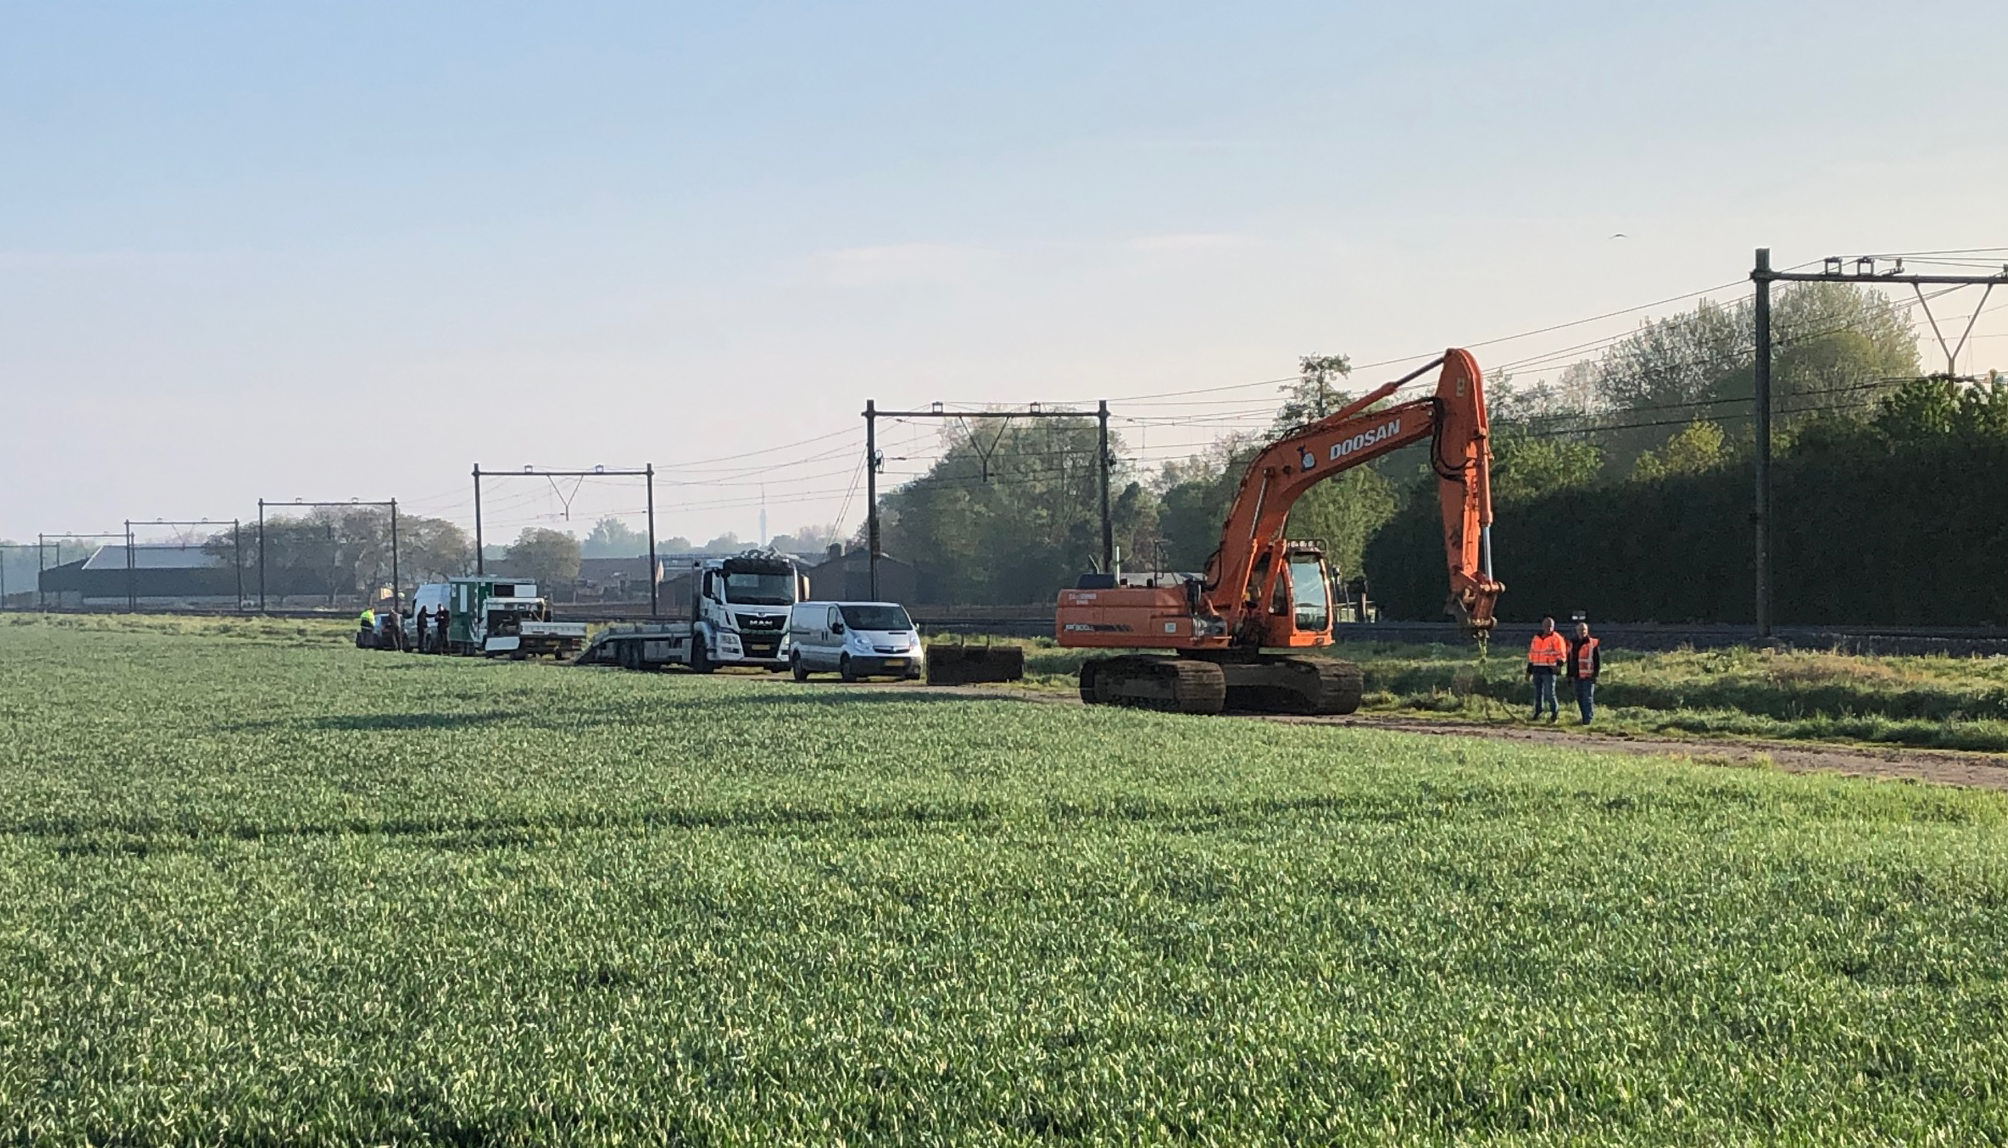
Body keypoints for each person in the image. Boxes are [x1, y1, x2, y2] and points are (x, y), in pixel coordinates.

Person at [1525, 616, 1566, 722]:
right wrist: (1528, 671)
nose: (1549, 628)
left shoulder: (1557, 638)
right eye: (1547, 626)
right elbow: (1532, 655)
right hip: (1537, 669)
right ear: (1543, 626)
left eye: (1550, 626)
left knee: (1549, 693)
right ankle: (1537, 712)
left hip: (1549, 670)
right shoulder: (1536, 638)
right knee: (1538, 693)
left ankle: (1554, 712)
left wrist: (1558, 666)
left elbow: (1562, 655)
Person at [1567, 621, 1601, 724]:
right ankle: (1584, 717)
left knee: (1587, 698)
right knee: (1579, 698)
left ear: (1587, 631)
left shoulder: (1592, 643)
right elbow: (1570, 660)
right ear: (1576, 631)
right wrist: (1569, 675)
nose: (1582, 632)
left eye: (1584, 630)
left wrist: (1595, 675)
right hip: (1577, 675)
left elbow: (1597, 661)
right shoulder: (1572, 643)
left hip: (1588, 676)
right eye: (1580, 630)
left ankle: (1588, 719)